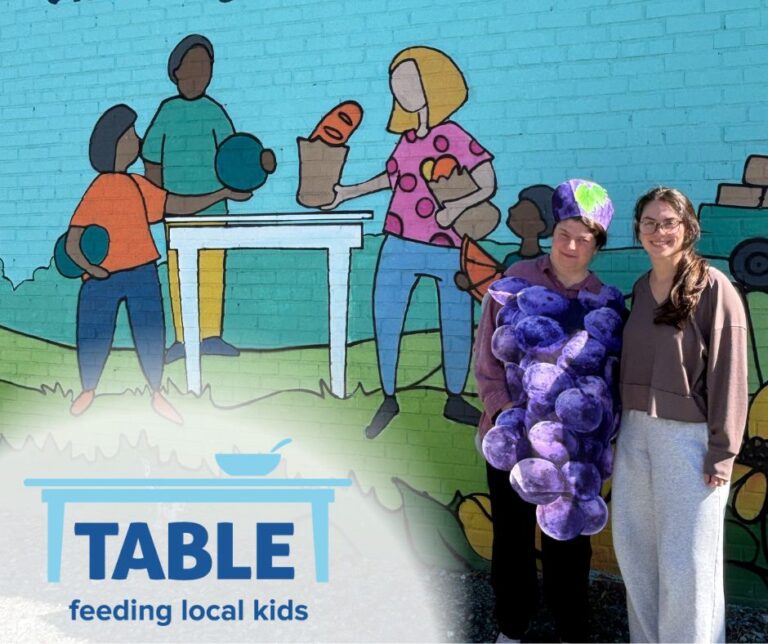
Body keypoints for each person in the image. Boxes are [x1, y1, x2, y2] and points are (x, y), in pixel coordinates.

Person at [323, 46, 497, 438]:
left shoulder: (452, 135)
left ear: (433, 84)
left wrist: (456, 208)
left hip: (447, 244)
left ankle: (455, 397)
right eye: (395, 84)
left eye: (408, 81)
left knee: (456, 321)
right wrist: (346, 193)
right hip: (399, 239)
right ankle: (388, 396)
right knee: (386, 317)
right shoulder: (406, 140)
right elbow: (391, 178)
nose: (400, 90)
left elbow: (486, 182)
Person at [475, 179, 621, 643]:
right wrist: (507, 414)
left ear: (597, 245)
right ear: (552, 232)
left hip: (573, 449)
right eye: (564, 234)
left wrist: (602, 435)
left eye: (584, 238)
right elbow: (486, 361)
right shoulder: (515, 282)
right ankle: (511, 625)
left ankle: (570, 626)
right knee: (512, 538)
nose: (571, 246)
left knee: (569, 542)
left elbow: (613, 378)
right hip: (514, 439)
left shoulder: (607, 301)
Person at [612, 186, 748, 643]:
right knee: (638, 553)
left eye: (669, 222)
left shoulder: (715, 287)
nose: (659, 231)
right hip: (635, 435)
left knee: (689, 564)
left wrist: (722, 453)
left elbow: (730, 374)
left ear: (688, 227)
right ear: (638, 230)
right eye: (649, 223)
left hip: (689, 441)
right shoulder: (639, 288)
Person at [67, 104, 250, 423]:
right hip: (102, 278)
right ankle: (88, 390)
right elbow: (73, 239)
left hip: (143, 271)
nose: (138, 140)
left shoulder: (138, 185)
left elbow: (176, 204)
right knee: (93, 331)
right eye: (131, 135)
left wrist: (221, 193)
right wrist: (91, 268)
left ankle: (156, 392)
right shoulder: (99, 189)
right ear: (115, 144)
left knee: (151, 331)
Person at [142, 35, 274, 363]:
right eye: (191, 66)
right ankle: (182, 339)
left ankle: (210, 335)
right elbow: (152, 158)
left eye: (205, 67)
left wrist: (257, 167)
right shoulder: (167, 112)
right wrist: (154, 201)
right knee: (179, 274)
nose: (198, 74)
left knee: (212, 272)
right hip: (176, 214)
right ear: (175, 72)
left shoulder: (214, 112)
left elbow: (234, 158)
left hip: (215, 211)